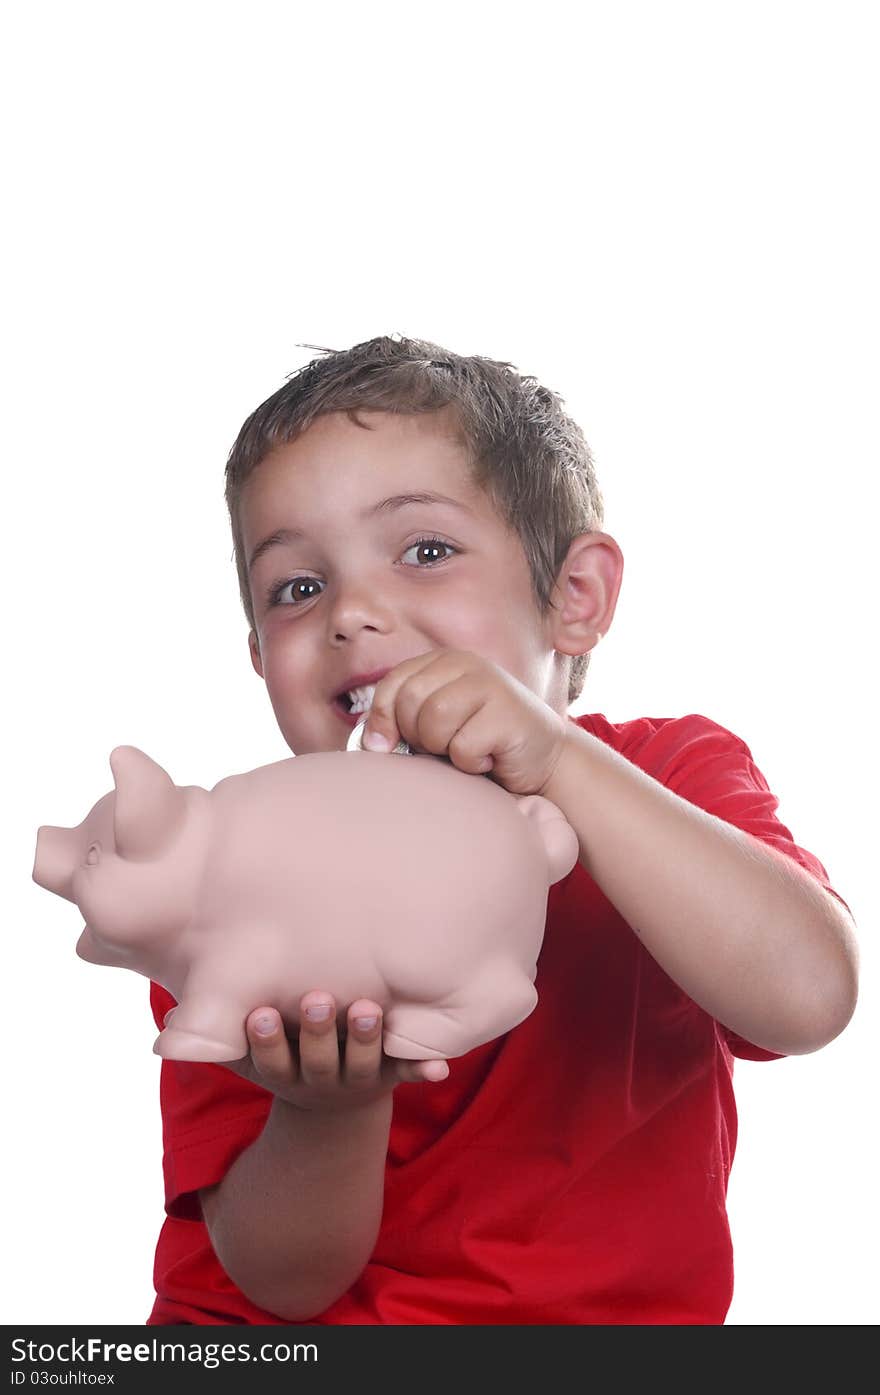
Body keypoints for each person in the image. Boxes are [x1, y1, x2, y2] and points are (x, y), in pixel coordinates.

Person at [146, 334, 858, 1326]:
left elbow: (810, 998)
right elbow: (281, 1280)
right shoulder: (228, 877)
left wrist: (560, 761)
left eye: (425, 551)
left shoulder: (669, 776)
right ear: (260, 655)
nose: (350, 613)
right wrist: (328, 1108)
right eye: (296, 589)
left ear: (575, 598)